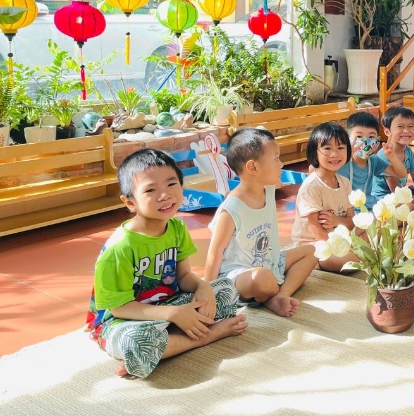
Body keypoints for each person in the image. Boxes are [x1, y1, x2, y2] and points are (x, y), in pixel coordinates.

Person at [86, 149, 246, 378]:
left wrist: (203, 288)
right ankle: (204, 336)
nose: (165, 195)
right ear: (130, 202)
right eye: (151, 190)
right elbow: (118, 308)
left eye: (171, 185)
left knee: (225, 288)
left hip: (169, 304)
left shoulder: (177, 228)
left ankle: (167, 343)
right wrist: (173, 314)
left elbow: (183, 277)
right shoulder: (119, 249)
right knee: (137, 343)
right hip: (122, 320)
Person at [205, 128, 318, 317]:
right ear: (253, 168)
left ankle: (280, 295)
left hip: (270, 263)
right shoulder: (231, 208)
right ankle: (271, 293)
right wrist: (207, 292)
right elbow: (215, 252)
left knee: (313, 251)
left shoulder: (269, 190)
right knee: (262, 278)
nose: (281, 164)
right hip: (239, 275)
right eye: (276, 159)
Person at [292, 122, 357, 272]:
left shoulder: (344, 182)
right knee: (347, 262)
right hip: (316, 245)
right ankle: (366, 259)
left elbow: (351, 221)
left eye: (340, 148)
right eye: (327, 148)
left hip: (340, 237)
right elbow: (318, 233)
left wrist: (338, 221)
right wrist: (347, 246)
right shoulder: (311, 187)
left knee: (374, 228)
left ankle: (365, 256)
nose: (335, 154)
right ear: (315, 152)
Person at [337, 111, 407, 211]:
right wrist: (343, 157)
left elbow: (401, 174)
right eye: (359, 137)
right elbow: (314, 170)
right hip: (345, 210)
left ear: (377, 141)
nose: (365, 141)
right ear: (348, 139)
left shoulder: (373, 161)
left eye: (371, 137)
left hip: (367, 208)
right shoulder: (340, 160)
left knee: (406, 206)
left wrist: (391, 156)